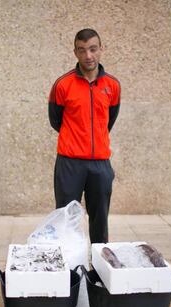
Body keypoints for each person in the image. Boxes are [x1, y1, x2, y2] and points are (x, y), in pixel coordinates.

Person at [48, 28, 121, 243]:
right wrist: (75, 139)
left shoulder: (113, 86)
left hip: (100, 164)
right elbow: (56, 121)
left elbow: (109, 121)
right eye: (82, 50)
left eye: (93, 49)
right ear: (75, 53)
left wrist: (95, 140)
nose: (88, 56)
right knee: (65, 218)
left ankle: (98, 270)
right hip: (69, 164)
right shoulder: (62, 84)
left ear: (101, 49)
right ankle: (69, 271)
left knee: (100, 220)